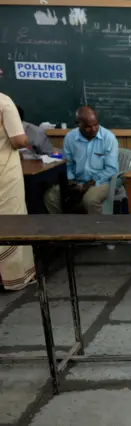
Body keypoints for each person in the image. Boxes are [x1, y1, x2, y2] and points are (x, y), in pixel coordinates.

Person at [44, 106, 119, 215]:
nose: (93, 129)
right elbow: (68, 163)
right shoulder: (70, 138)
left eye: (96, 124)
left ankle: (98, 230)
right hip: (78, 181)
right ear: (78, 124)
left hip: (103, 181)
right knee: (51, 196)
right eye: (88, 126)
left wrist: (90, 183)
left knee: (90, 200)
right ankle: (63, 228)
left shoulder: (108, 138)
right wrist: (71, 181)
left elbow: (111, 169)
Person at [0, 93, 36, 290]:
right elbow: (19, 141)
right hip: (4, 171)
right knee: (12, 219)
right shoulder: (4, 102)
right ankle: (13, 277)